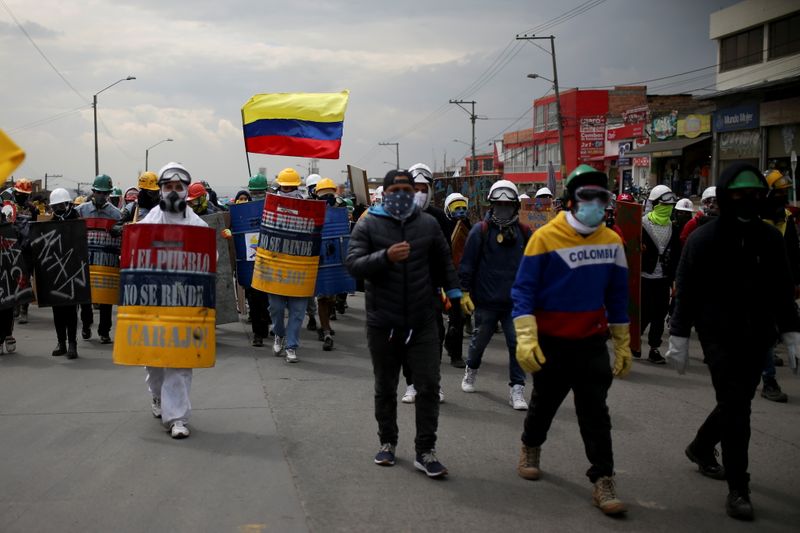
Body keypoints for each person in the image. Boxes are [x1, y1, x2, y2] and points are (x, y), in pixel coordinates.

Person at [665, 163, 800, 521]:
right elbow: (687, 289)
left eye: (755, 194)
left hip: (758, 336)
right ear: (725, 197)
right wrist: (678, 334)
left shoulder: (770, 239)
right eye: (739, 194)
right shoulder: (703, 239)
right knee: (738, 408)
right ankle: (739, 488)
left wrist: (791, 331)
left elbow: (783, 290)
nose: (748, 201)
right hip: (717, 336)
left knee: (734, 402)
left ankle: (701, 446)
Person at [512, 164, 632, 516]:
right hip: (552, 341)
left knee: (595, 413)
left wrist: (622, 342)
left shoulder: (612, 241)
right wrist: (526, 337)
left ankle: (603, 479)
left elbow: (618, 296)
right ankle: (530, 445)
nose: (595, 204)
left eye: (601, 197)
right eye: (586, 197)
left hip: (591, 342)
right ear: (570, 201)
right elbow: (524, 290)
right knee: (544, 404)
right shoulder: (545, 238)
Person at [346, 169, 461, 478]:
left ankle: (426, 450)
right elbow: (353, 265)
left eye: (406, 189)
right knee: (385, 386)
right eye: (395, 189)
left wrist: (455, 294)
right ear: (384, 193)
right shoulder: (368, 223)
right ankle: (387, 443)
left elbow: (444, 261)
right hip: (383, 321)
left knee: (428, 386)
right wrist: (385, 256)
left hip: (423, 320)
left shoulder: (428, 224)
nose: (401, 194)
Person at [140, 162, 209, 439]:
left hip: (185, 304)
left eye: (178, 187)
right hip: (154, 302)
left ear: (185, 192)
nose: (173, 191)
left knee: (179, 362)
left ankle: (178, 417)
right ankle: (157, 397)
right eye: (168, 186)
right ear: (160, 191)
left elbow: (209, 262)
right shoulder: (148, 223)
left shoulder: (198, 225)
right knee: (154, 360)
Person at [459, 180, 531, 410]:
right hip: (486, 301)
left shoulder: (524, 232)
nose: (503, 208)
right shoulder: (480, 230)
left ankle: (517, 388)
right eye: (498, 204)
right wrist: (465, 291)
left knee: (517, 345)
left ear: (515, 206)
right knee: (478, 342)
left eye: (507, 204)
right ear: (491, 204)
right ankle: (471, 370)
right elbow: (467, 263)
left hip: (515, 304)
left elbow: (533, 266)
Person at [400, 163, 451, 404]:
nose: (418, 192)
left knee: (434, 337)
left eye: (423, 188)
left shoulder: (439, 217)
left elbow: (446, 253)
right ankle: (411, 384)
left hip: (431, 288)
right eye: (414, 188)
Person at [755, 169, 799, 403]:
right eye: (779, 192)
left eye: (785, 192)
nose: (783, 196)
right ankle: (768, 379)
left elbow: (793, 252)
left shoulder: (786, 218)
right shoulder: (751, 218)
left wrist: (795, 282)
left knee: (769, 332)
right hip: (753, 286)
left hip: (778, 285)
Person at [269, 168, 309, 363]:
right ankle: (279, 334)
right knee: (275, 307)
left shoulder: (308, 206)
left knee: (298, 310)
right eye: (285, 187)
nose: (288, 190)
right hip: (275, 264)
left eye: (291, 187)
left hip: (300, 264)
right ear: (279, 186)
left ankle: (291, 346)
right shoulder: (269, 205)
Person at [76, 174, 122, 344]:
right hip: (86, 262)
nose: (103, 196)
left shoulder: (116, 214)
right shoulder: (80, 211)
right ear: (93, 191)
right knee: (85, 299)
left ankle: (104, 332)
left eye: (106, 193)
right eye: (100, 193)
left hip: (107, 262)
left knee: (106, 301)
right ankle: (86, 325)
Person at [638, 184, 680, 363]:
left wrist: (675, 280)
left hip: (663, 279)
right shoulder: (641, 224)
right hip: (644, 278)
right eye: (664, 205)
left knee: (660, 315)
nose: (667, 209)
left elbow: (677, 255)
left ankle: (654, 348)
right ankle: (634, 341)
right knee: (643, 314)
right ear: (654, 204)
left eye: (670, 206)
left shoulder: (673, 227)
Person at [48, 188, 80, 359]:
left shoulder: (76, 221)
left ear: (68, 204)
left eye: (61, 205)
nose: (58, 209)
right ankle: (61, 342)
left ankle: (72, 344)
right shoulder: (49, 224)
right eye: (55, 207)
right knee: (57, 310)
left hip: (73, 272)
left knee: (70, 310)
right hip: (55, 273)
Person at [443, 192, 471, 368]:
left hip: (463, 279)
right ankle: (450, 348)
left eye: (463, 208)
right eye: (456, 209)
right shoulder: (443, 227)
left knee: (459, 318)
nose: (460, 212)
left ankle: (455, 353)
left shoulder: (469, 227)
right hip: (445, 278)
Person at [314, 178, 342, 351]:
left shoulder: (341, 210)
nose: (327, 198)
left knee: (331, 298)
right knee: (323, 297)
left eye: (329, 195)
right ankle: (325, 330)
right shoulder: (313, 211)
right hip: (320, 259)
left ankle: (326, 325)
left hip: (335, 258)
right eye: (323, 196)